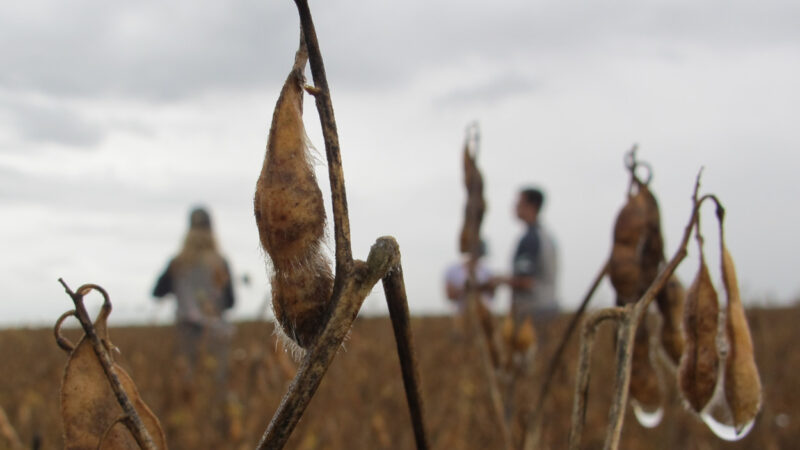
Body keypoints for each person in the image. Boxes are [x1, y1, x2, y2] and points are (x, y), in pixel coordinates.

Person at [153, 207, 235, 386]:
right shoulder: (221, 263)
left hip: (187, 335)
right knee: (215, 385)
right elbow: (230, 302)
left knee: (189, 384)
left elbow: (157, 292)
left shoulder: (177, 263)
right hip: (217, 334)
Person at [493, 187, 559, 340]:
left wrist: (498, 281)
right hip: (548, 308)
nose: (515, 207)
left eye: (519, 203)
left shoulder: (531, 239)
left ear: (531, 206)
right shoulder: (546, 236)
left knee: (532, 354)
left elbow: (526, 281)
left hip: (533, 313)